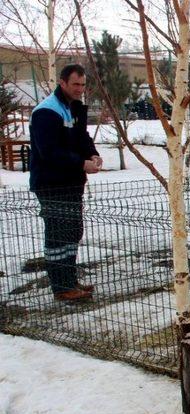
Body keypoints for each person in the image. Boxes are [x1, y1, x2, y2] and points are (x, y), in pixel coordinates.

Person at [30, 64, 102, 302]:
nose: (80, 89)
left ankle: (69, 279)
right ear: (62, 83)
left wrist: (92, 154)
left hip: (71, 182)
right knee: (58, 233)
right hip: (52, 183)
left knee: (72, 231)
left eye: (83, 84)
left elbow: (82, 137)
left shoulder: (74, 108)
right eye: (75, 84)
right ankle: (61, 286)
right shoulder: (46, 112)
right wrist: (81, 164)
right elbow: (48, 151)